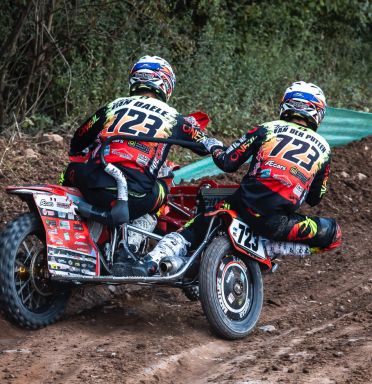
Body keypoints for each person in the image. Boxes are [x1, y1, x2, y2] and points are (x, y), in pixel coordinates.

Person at [137, 81, 342, 275]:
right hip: (277, 222)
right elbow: (315, 198)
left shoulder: (267, 128)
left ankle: (153, 259)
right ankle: (269, 248)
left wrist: (214, 147)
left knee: (198, 224)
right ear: (318, 112)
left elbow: (227, 162)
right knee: (333, 234)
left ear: (286, 105)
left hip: (243, 205)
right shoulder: (324, 149)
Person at [61, 55, 211, 275]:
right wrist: (221, 149)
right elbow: (205, 145)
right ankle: (127, 245)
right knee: (163, 188)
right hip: (135, 194)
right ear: (166, 84)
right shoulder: (174, 118)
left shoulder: (114, 106)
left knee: (70, 170)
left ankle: (67, 218)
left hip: (93, 183)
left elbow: (78, 139)